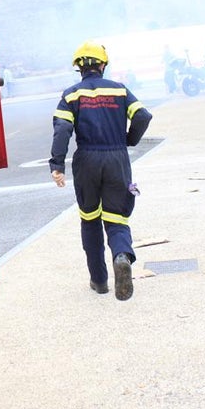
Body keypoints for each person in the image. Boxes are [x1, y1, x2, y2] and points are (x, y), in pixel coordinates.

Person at [49, 41, 152, 301]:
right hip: (117, 158)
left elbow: (62, 129)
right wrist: (129, 139)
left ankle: (99, 280)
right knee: (116, 218)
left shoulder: (71, 94)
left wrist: (57, 164)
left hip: (87, 161)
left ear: (79, 68)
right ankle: (121, 256)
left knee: (90, 219)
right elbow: (142, 116)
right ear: (103, 65)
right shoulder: (119, 90)